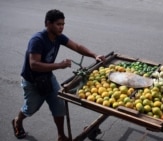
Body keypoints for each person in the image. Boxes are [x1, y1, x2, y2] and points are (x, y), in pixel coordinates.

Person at [12, 9, 106, 141]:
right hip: (32, 81)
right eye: (58, 24)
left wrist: (95, 55)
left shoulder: (58, 37)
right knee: (31, 108)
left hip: (47, 77)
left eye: (63, 24)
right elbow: (34, 64)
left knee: (59, 105)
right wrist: (59, 65)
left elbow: (77, 47)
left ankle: (61, 136)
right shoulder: (37, 40)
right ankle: (17, 121)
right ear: (48, 24)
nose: (61, 27)